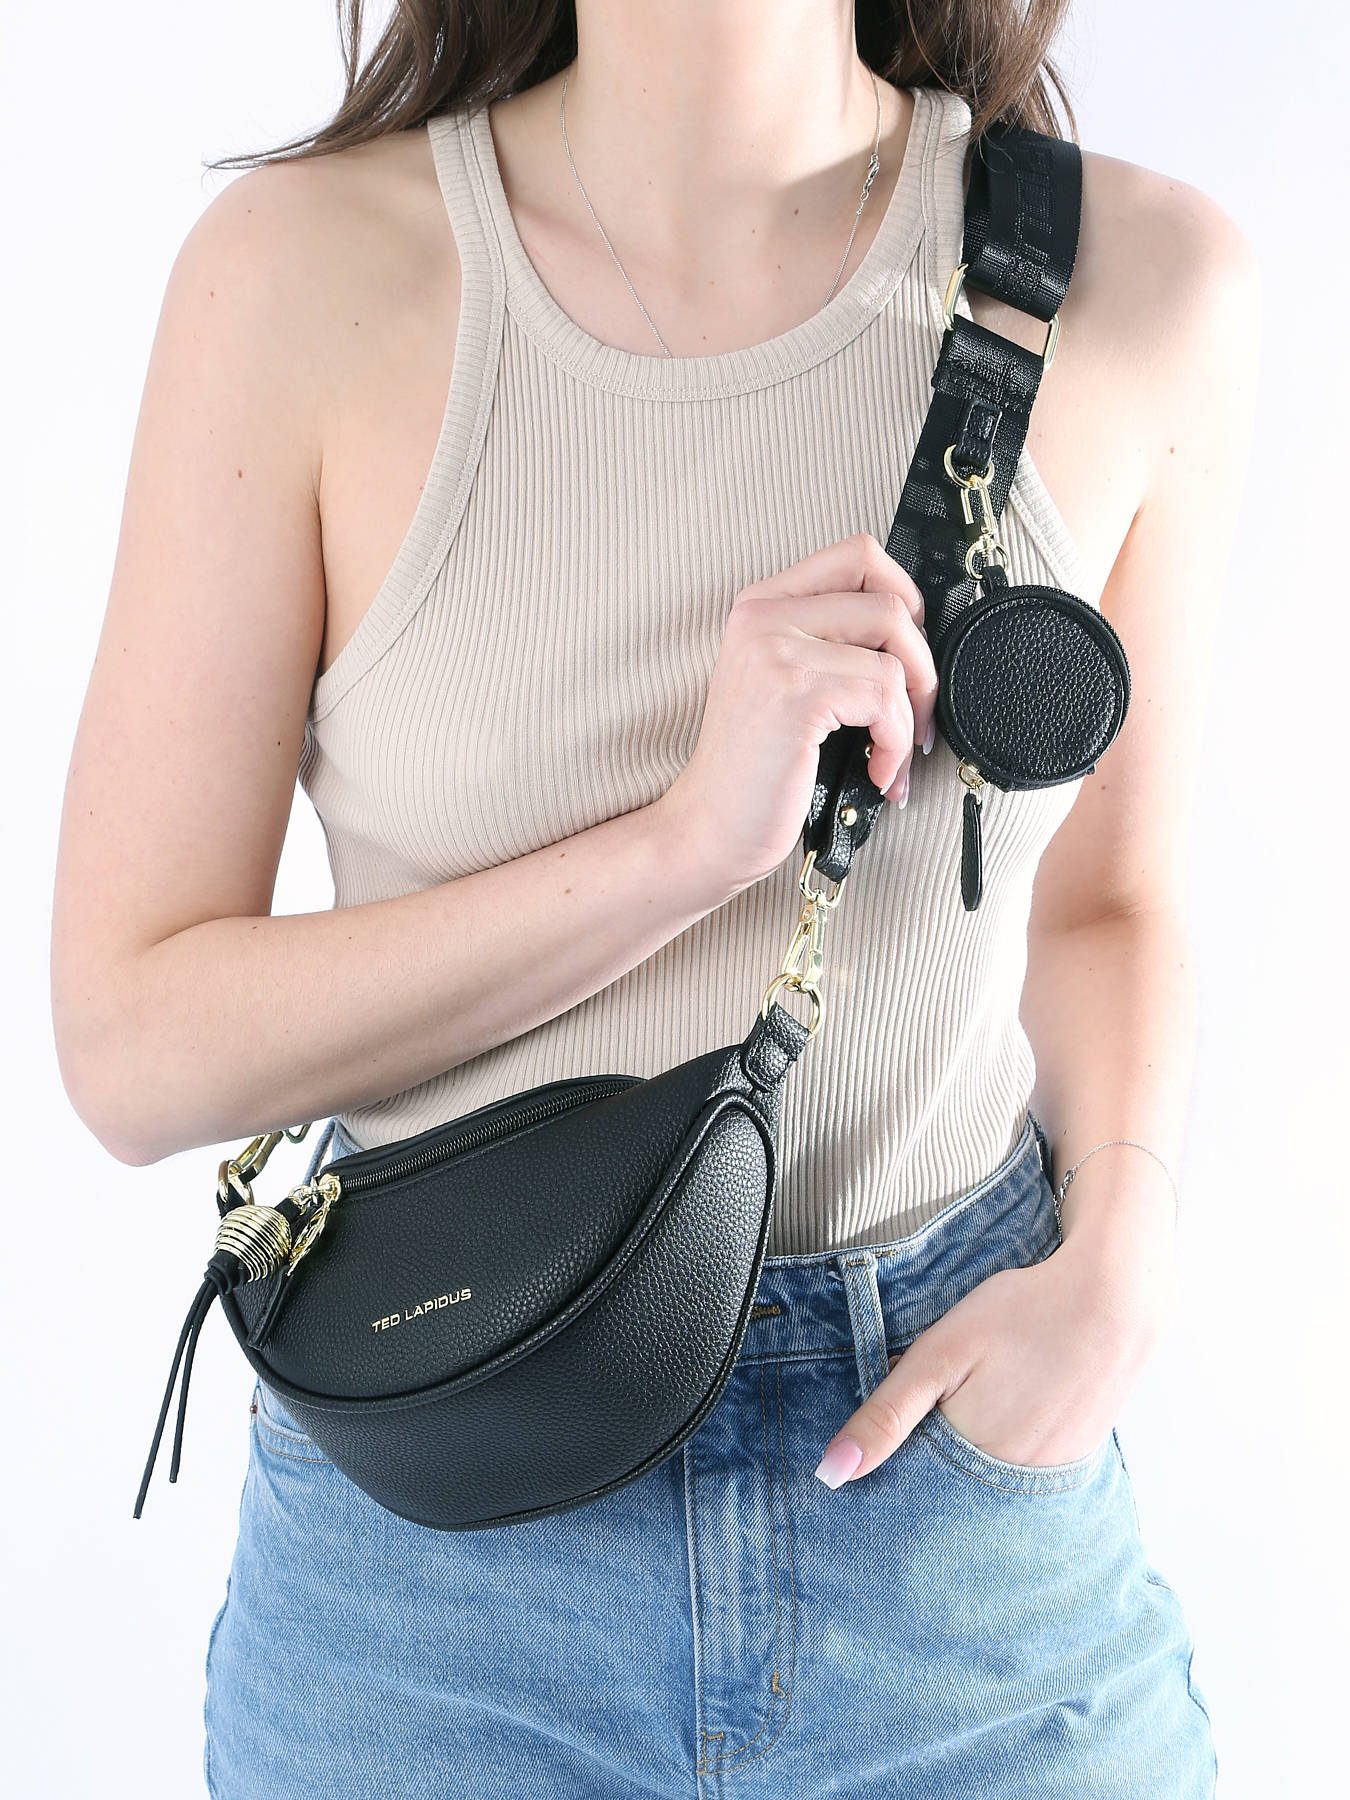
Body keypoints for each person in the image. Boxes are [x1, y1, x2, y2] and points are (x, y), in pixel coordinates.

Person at [51, 2, 1258, 1794]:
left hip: (957, 1495)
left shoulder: (1139, 280)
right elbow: (133, 1047)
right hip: (438, 1554)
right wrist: (683, 848)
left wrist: (1121, 1266)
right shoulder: (297, 278)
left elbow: (1112, 901)